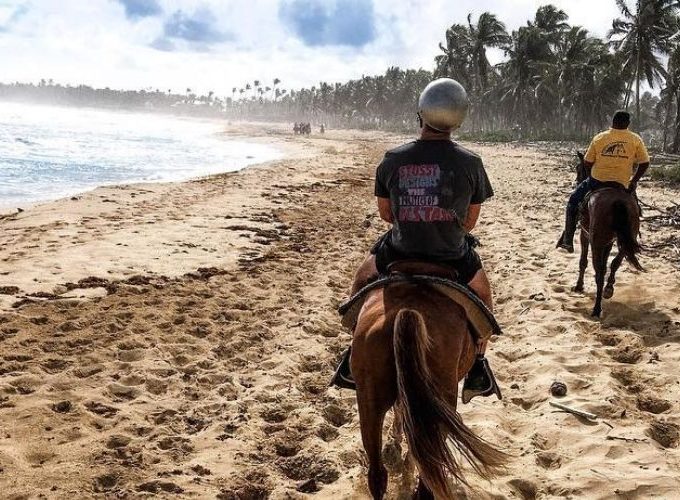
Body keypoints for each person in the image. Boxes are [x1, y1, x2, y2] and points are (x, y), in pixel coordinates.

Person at [331, 78, 500, 403]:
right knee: (483, 297)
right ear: (458, 119)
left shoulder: (393, 158)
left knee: (361, 281)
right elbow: (470, 221)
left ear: (420, 113)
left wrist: (414, 219)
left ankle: (354, 349)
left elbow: (386, 214)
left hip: (400, 247)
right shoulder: (471, 163)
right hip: (451, 253)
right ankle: (478, 363)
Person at [557, 110, 650, 252]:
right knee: (635, 209)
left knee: (573, 202)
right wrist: (634, 181)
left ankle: (568, 240)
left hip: (598, 181)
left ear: (612, 122)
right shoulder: (635, 139)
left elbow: (587, 162)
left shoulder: (600, 137)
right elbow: (645, 163)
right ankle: (633, 236)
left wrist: (590, 178)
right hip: (622, 184)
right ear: (628, 124)